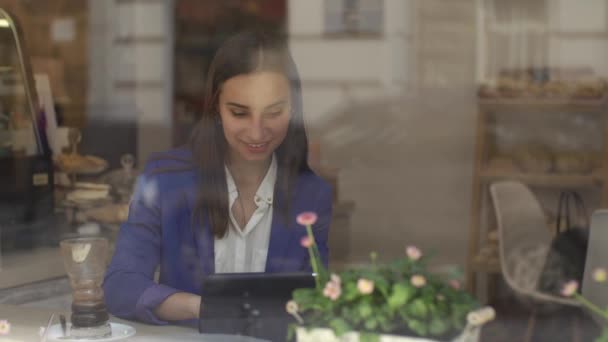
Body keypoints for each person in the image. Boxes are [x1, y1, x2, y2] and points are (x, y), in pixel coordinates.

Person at [102, 30, 333, 325]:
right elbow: (121, 286)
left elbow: (315, 301)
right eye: (239, 113)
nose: (257, 132)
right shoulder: (165, 179)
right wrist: (202, 307)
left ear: (293, 110)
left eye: (274, 112)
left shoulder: (312, 195)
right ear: (216, 110)